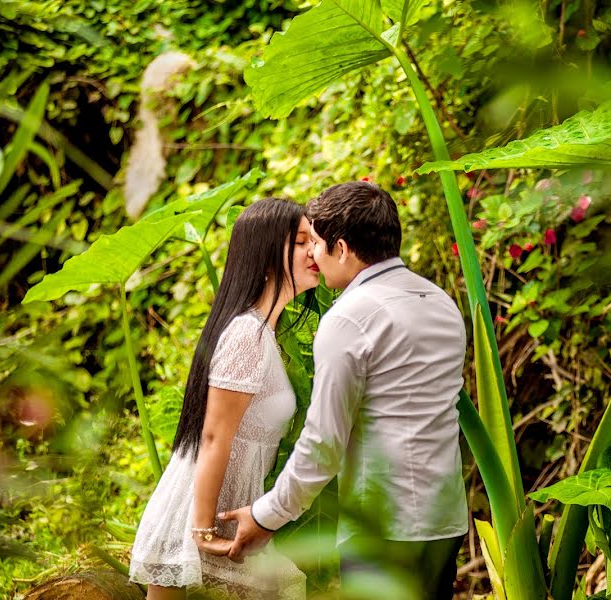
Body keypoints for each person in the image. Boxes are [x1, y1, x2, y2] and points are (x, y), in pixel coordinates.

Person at [220, 182, 469, 600]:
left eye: (316, 244)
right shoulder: (441, 302)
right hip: (444, 521)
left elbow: (323, 444)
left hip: (384, 529)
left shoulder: (350, 318)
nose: (313, 256)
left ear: (341, 248)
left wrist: (266, 516)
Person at [129, 199, 319, 600]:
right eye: (301, 241)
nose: (313, 250)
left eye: (314, 240)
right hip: (205, 512)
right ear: (268, 253)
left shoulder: (262, 333)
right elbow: (214, 436)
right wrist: (200, 531)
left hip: (233, 510)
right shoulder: (246, 334)